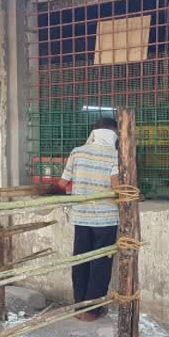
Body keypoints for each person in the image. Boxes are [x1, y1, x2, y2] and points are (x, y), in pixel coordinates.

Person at [58, 118, 119, 322]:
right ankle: (92, 310)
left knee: (81, 261)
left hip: (81, 217)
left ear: (94, 133)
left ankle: (79, 307)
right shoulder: (115, 155)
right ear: (113, 135)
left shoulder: (77, 152)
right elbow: (116, 188)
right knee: (100, 264)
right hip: (106, 219)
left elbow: (62, 182)